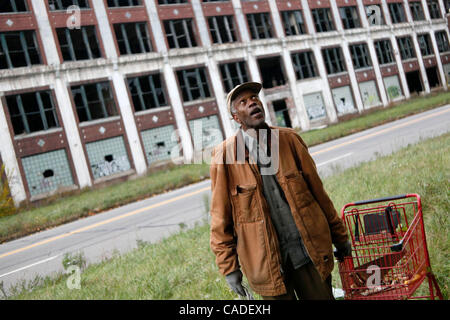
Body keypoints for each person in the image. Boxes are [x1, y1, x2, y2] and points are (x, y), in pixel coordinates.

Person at [209, 82, 352, 300]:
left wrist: (340, 237)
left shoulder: (289, 140)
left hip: (308, 253)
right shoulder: (225, 157)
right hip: (267, 266)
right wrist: (230, 269)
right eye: (243, 102)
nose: (252, 103)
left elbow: (319, 195)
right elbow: (220, 219)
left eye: (254, 98)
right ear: (236, 118)